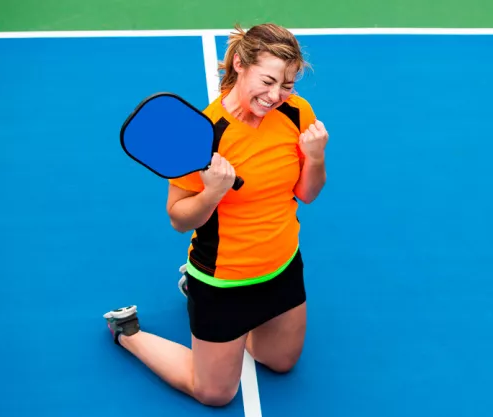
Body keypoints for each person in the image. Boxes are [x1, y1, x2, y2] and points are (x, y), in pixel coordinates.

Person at [103, 22, 328, 407]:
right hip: (223, 279)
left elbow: (307, 194)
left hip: (282, 266)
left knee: (281, 362)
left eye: (287, 85)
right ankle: (127, 332)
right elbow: (179, 219)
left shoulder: (296, 114)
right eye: (268, 81)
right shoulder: (203, 134)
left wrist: (317, 156)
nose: (276, 96)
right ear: (240, 63)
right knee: (215, 393)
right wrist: (213, 193)